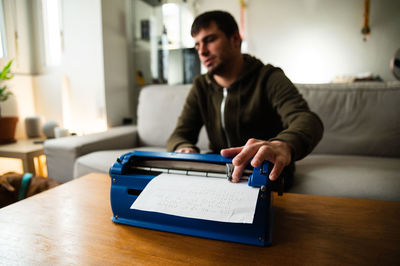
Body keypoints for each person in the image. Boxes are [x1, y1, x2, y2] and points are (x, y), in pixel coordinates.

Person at [166, 10, 323, 188]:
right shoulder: (201, 85)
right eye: (197, 45)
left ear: (235, 39)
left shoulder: (269, 77)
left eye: (210, 40)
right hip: (219, 172)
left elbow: (307, 119)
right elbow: (179, 134)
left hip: (265, 171)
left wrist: (283, 145)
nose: (202, 51)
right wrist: (183, 147)